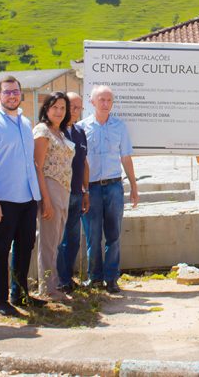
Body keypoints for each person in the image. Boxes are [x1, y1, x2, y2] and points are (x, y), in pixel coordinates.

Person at [0, 75, 45, 316]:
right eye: (7, 92)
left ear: (21, 94)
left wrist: (37, 198)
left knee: (25, 246)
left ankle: (20, 293)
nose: (12, 95)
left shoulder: (25, 123)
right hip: (3, 200)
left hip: (27, 198)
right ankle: (0, 300)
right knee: (1, 249)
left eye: (15, 91)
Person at [81, 85, 139, 293]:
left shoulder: (119, 127)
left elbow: (125, 157)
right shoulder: (82, 128)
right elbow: (79, 161)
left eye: (109, 100)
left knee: (113, 235)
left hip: (114, 186)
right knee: (93, 235)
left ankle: (112, 278)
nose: (105, 104)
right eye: (101, 100)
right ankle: (94, 277)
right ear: (92, 102)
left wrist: (133, 185)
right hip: (91, 189)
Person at [33, 92, 76, 301]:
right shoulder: (42, 131)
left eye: (62, 108)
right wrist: (45, 199)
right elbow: (37, 166)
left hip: (64, 189)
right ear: (46, 109)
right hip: (50, 188)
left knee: (56, 239)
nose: (59, 111)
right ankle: (47, 288)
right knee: (48, 241)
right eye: (55, 107)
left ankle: (54, 283)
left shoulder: (61, 132)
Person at [56, 92, 90, 294]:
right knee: (58, 240)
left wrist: (86, 190)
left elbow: (84, 163)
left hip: (77, 193)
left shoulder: (79, 132)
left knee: (74, 240)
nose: (76, 112)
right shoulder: (53, 131)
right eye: (73, 107)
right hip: (60, 194)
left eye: (79, 108)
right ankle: (60, 280)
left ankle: (67, 278)